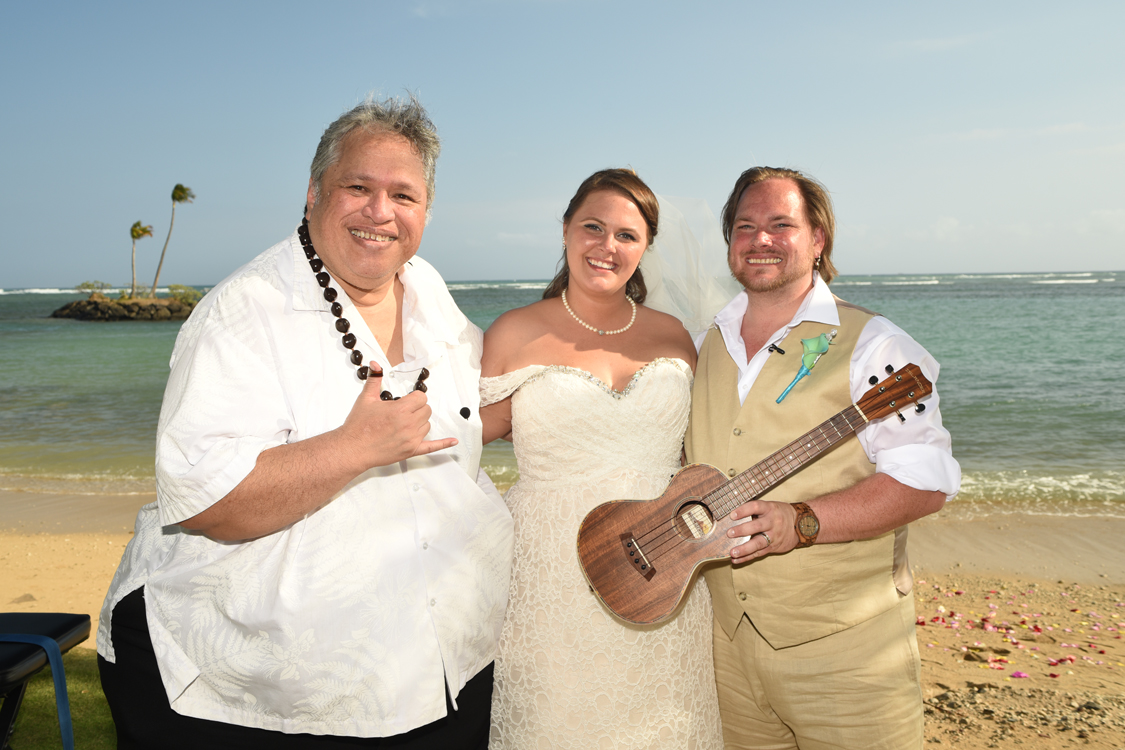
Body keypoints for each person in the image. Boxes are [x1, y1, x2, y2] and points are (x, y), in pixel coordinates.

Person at [96, 96, 514, 749]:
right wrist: (351, 450)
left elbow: (462, 411)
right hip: (262, 688)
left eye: (403, 195)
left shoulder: (425, 285)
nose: (380, 212)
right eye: (358, 187)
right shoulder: (242, 313)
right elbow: (208, 503)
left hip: (441, 659)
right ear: (315, 191)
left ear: (426, 212)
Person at [685, 167, 961, 749]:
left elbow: (926, 481)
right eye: (745, 226)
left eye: (781, 224)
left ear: (818, 239)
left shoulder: (877, 344)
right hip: (729, 649)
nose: (761, 239)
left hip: (849, 657)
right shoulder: (709, 342)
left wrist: (803, 521)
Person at [479, 168, 724, 749]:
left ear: (645, 249)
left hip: (661, 567)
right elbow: (463, 441)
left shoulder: (674, 336)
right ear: (565, 230)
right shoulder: (514, 332)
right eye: (593, 227)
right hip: (550, 574)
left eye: (627, 235)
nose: (607, 247)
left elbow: (698, 454)